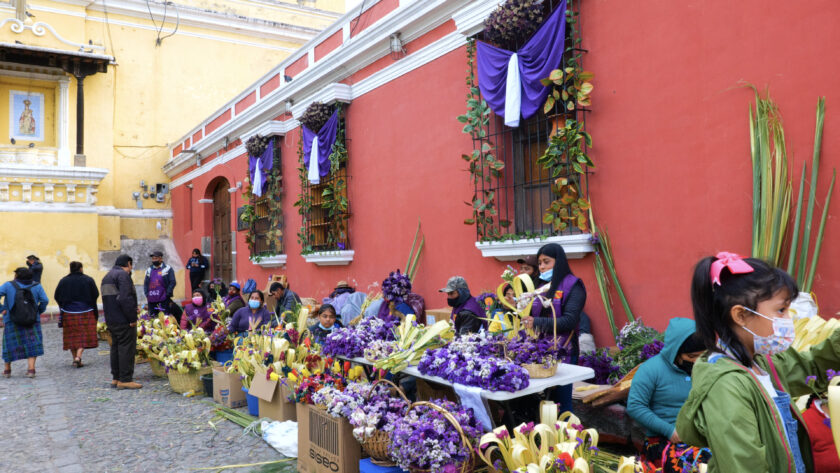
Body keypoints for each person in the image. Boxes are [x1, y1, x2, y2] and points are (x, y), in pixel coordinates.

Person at [676, 252, 840, 473]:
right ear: (741, 316)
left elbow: (810, 368)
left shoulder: (762, 363)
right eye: (780, 310)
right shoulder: (726, 387)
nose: (788, 320)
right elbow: (744, 465)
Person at [627, 318, 706, 468]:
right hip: (664, 440)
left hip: (700, 437)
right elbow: (635, 406)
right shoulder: (651, 370)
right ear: (675, 351)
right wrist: (670, 431)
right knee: (696, 465)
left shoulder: (705, 367)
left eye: (701, 356)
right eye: (691, 357)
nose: (697, 362)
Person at [521, 243, 586, 414]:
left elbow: (569, 321)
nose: (541, 267)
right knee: (542, 402)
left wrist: (535, 322)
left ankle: (568, 436)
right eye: (540, 263)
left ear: (559, 262)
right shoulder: (540, 286)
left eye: (546, 262)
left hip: (563, 350)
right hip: (540, 352)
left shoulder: (574, 286)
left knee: (562, 403)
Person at [0, 267, 48, 378]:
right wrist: (38, 311)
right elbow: (45, 300)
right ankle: (31, 370)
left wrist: (2, 309)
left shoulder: (8, 285)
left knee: (9, 344)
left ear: (17, 275)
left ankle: (7, 370)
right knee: (32, 343)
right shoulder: (37, 286)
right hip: (32, 320)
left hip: (12, 320)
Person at [102, 254, 141, 389]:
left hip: (112, 319)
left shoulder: (107, 276)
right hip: (123, 319)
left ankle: (116, 378)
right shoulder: (123, 276)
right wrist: (132, 318)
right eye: (131, 266)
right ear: (128, 264)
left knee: (115, 348)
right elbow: (125, 298)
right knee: (126, 349)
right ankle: (125, 379)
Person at [54, 261, 100, 367]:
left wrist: (64, 306)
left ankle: (75, 358)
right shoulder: (88, 280)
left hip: (68, 312)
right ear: (81, 268)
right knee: (84, 335)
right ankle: (78, 357)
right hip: (86, 311)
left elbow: (57, 296)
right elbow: (95, 294)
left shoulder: (63, 281)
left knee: (72, 336)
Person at [144, 250, 176, 314]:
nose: (154, 260)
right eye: (153, 259)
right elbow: (146, 284)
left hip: (164, 299)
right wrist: (147, 294)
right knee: (153, 318)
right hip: (152, 299)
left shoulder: (167, 269)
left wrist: (167, 294)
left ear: (161, 258)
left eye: (156, 258)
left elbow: (172, 282)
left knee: (165, 317)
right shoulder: (149, 270)